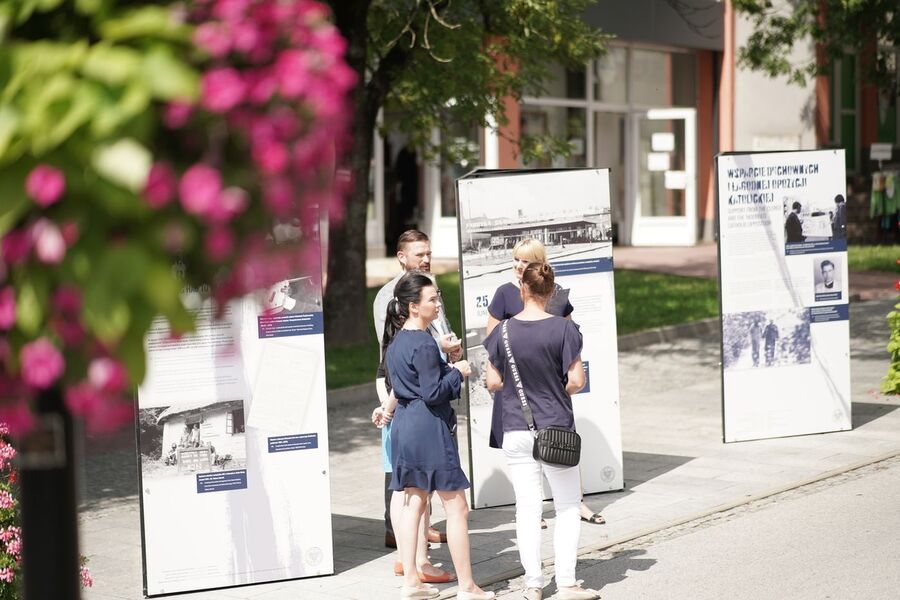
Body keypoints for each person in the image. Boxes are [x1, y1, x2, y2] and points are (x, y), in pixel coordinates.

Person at [483, 262, 600, 600]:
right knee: (565, 506)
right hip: (555, 427)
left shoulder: (501, 332)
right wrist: (552, 391)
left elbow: (492, 381)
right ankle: (566, 583)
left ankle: (533, 585)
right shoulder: (564, 331)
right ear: (550, 293)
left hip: (515, 427)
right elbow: (576, 380)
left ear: (522, 290)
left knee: (527, 508)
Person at [383, 271, 493, 600]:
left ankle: (412, 582)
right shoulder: (423, 342)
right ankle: (467, 586)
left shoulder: (397, 341)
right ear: (414, 307)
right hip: (428, 426)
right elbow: (432, 392)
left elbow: (413, 384)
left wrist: (444, 363)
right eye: (432, 299)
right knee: (457, 508)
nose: (438, 304)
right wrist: (456, 372)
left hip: (404, 425)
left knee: (414, 502)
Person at [371, 230, 460, 581]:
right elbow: (393, 347)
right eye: (418, 253)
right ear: (401, 256)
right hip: (409, 389)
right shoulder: (391, 297)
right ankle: (406, 547)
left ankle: (415, 546)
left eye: (428, 252)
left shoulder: (428, 286)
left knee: (415, 487)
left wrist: (446, 350)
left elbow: (437, 332)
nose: (425, 258)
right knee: (404, 480)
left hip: (424, 384)